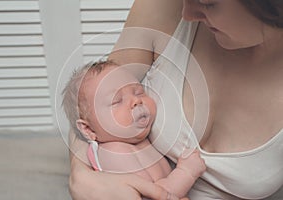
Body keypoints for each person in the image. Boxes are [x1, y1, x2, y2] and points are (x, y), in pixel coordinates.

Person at [69, 0, 283, 199]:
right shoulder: (160, 7)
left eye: (207, 3)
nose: (187, 14)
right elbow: (89, 102)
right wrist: (81, 176)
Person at [62, 60, 206, 199]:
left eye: (138, 92)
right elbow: (154, 194)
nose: (136, 101)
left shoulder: (137, 140)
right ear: (88, 129)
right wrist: (186, 172)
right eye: (117, 101)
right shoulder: (114, 153)